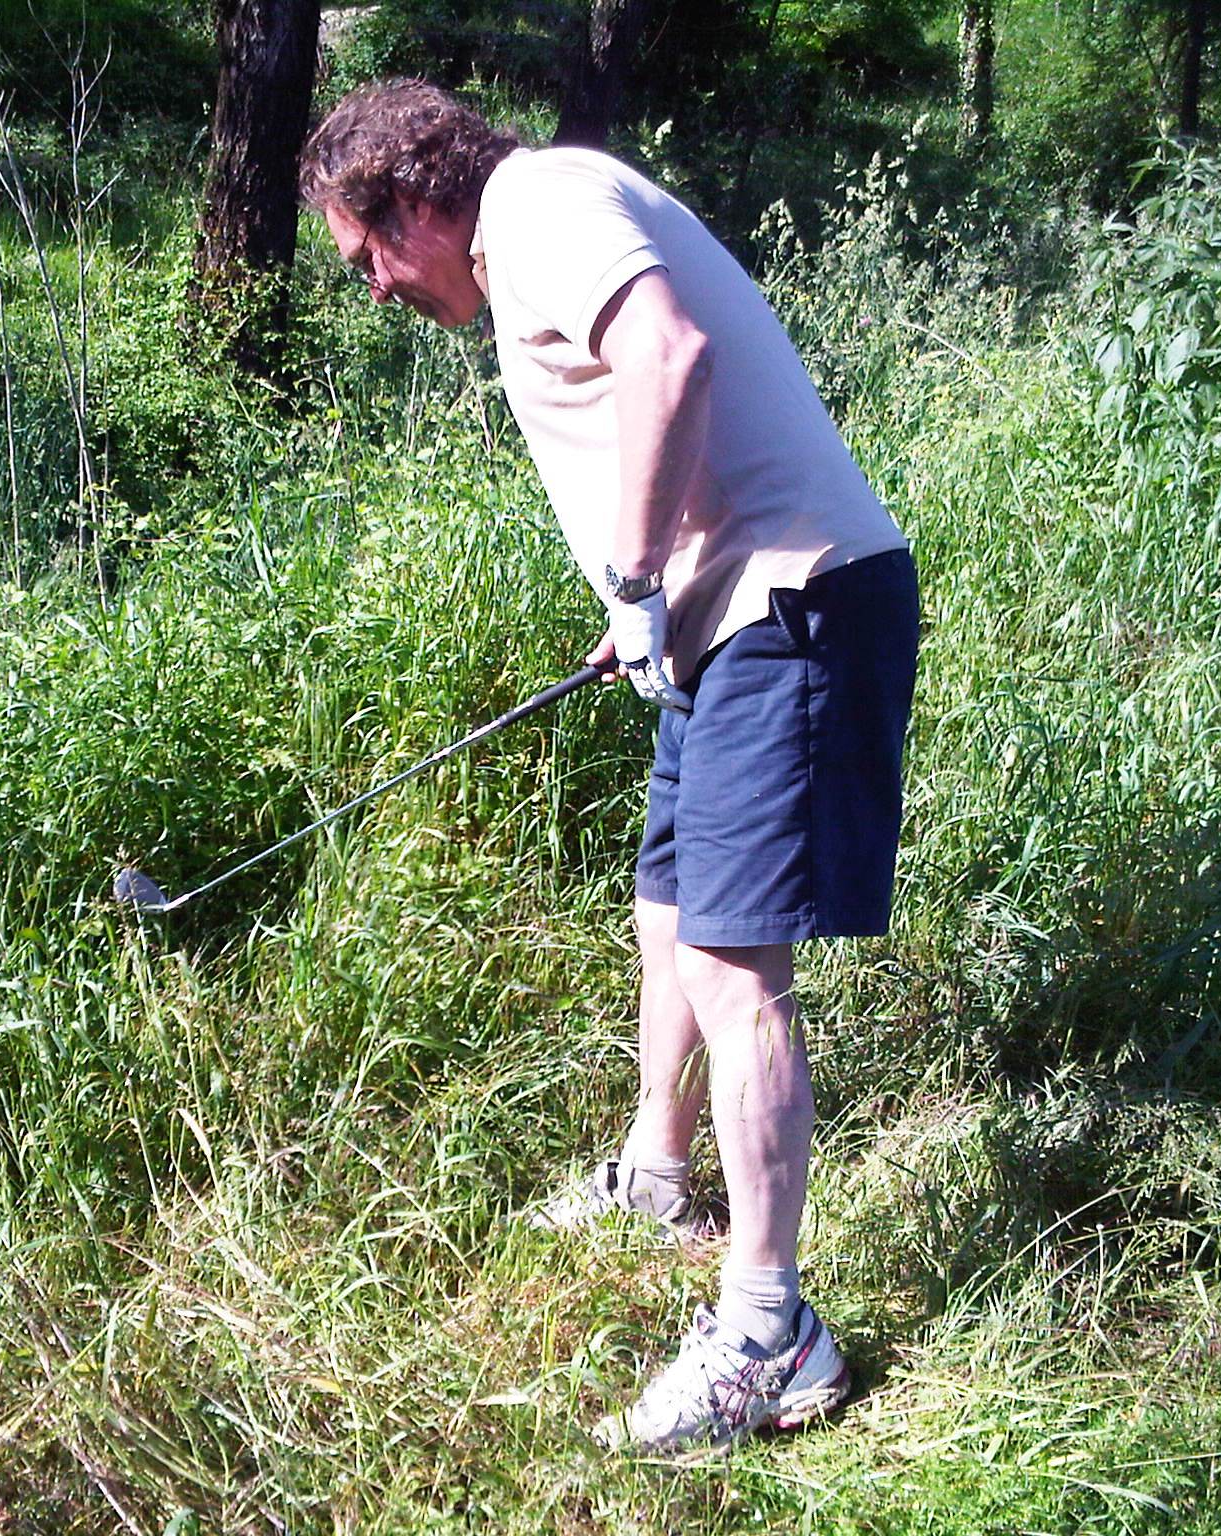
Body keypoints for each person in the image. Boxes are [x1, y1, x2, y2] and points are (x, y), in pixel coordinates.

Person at [298, 80, 919, 1454]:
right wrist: (644, 600)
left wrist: (637, 576)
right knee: (668, 905)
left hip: (792, 605)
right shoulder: (538, 224)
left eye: (367, 254)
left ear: (415, 198)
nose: (377, 288)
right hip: (723, 610)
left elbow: (671, 356)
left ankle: (769, 1329)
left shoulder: (540, 203)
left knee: (734, 960)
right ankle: (656, 1171)